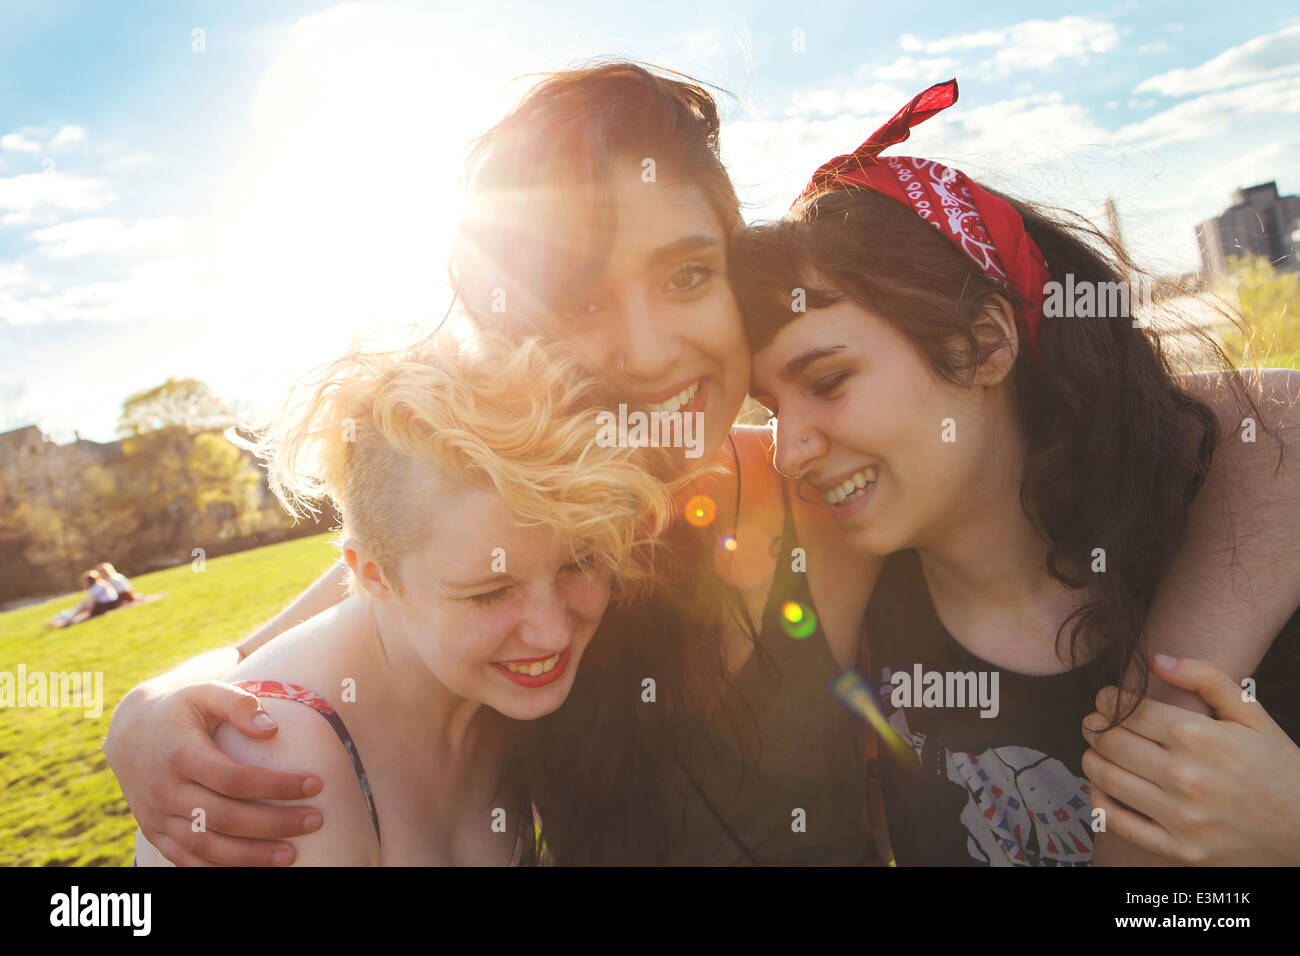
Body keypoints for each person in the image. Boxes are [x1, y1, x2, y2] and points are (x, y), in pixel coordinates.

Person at [105, 64, 1300, 867]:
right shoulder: (541, 556)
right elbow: (367, 587)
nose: (646, 349)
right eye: (578, 301)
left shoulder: (825, 490)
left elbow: (1265, 422)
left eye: (686, 275)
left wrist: (1158, 714)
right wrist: (157, 700)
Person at [731, 79, 1300, 865]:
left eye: (827, 382)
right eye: (769, 408)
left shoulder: (1247, 563)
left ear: (987, 345)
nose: (789, 450)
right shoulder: (856, 607)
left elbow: (1281, 410)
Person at [133, 324, 676, 865]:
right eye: (489, 593)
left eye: (583, 562)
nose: (553, 631)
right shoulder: (279, 767)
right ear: (372, 576)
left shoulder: (482, 680)